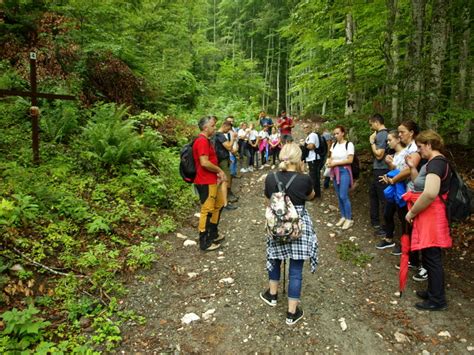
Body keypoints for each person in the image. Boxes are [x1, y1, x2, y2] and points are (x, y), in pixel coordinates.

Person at [260, 142, 319, 325]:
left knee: (275, 258)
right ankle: (292, 313)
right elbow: (311, 196)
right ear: (298, 159)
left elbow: (267, 202)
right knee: (295, 270)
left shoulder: (270, 177)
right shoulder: (305, 179)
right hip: (298, 226)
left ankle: (272, 295)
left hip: (277, 224)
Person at [403, 130, 452, 311]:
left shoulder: (437, 164)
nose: (419, 151)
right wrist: (412, 167)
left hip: (433, 216)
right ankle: (433, 291)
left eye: (421, 147)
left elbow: (430, 193)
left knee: (432, 257)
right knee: (430, 255)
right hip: (430, 214)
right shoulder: (433, 163)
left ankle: (437, 300)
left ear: (430, 145)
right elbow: (420, 184)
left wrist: (412, 213)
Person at [381, 120, 427, 280]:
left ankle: (419, 262)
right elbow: (401, 169)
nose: (399, 135)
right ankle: (412, 259)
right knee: (406, 224)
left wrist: (393, 180)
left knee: (413, 226)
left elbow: (408, 170)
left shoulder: (416, 148)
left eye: (402, 132)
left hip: (415, 193)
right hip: (405, 192)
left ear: (412, 132)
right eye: (398, 132)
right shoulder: (408, 148)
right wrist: (391, 166)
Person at [193, 116, 227, 251]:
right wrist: (219, 170)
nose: (214, 128)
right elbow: (204, 162)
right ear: (205, 128)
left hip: (212, 179)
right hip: (205, 181)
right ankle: (204, 242)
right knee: (207, 210)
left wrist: (217, 174)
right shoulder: (201, 141)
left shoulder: (206, 140)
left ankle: (213, 233)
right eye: (212, 126)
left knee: (218, 205)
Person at [376, 130, 408, 250]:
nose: (388, 143)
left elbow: (404, 172)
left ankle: (404, 244)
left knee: (402, 217)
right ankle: (389, 238)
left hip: (402, 189)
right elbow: (393, 171)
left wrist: (392, 169)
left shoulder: (406, 153)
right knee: (388, 214)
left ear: (398, 140)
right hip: (393, 188)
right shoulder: (394, 155)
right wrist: (389, 166)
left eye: (390, 140)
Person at [326, 125, 355, 230]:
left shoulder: (349, 144)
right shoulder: (334, 145)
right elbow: (331, 157)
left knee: (343, 195)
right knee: (338, 195)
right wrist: (329, 162)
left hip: (344, 171)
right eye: (334, 133)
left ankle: (349, 218)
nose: (336, 135)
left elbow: (350, 160)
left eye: (337, 133)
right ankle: (343, 216)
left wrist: (335, 163)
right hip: (335, 171)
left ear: (343, 133)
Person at [368, 113, 389, 233]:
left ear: (377, 122)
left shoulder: (382, 135)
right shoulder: (383, 134)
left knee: (383, 198)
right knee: (373, 194)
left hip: (381, 169)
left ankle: (386, 227)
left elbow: (379, 154)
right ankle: (375, 221)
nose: (371, 127)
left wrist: (372, 142)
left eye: (372, 124)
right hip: (378, 169)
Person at [213, 120, 238, 210]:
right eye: (228, 129)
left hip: (221, 159)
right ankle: (225, 203)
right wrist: (233, 139)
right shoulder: (220, 135)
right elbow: (228, 146)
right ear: (225, 126)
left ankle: (222, 201)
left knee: (221, 181)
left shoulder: (215, 135)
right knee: (225, 180)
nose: (228, 131)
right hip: (222, 160)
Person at [304, 123, 324, 198]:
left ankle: (313, 195)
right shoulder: (310, 136)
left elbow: (311, 146)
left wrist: (304, 145)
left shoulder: (312, 135)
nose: (305, 129)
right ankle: (317, 194)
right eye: (304, 127)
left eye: (307, 127)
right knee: (315, 176)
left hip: (313, 159)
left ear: (311, 128)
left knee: (313, 177)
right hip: (312, 159)